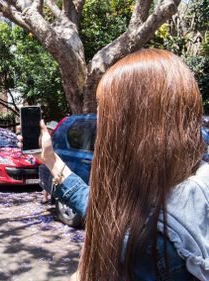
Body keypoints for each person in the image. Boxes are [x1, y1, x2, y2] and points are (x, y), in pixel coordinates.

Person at [18, 49, 208, 280]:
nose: (100, 117)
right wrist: (48, 157)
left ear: (130, 124)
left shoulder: (143, 240)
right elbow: (99, 207)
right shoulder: (194, 184)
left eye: (105, 108)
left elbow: (118, 222)